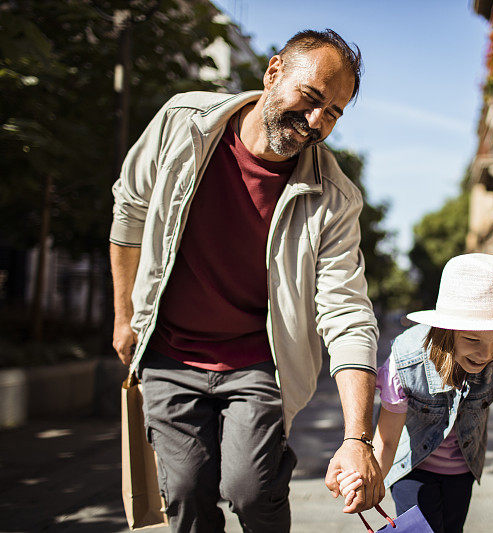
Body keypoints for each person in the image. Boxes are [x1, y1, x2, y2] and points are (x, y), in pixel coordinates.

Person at [109, 29, 383, 532]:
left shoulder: (336, 199)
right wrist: (124, 316)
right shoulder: (182, 123)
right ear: (274, 71)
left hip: (258, 361)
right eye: (313, 97)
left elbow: (346, 313)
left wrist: (357, 438)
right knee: (187, 492)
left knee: (250, 491)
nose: (317, 121)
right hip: (170, 349)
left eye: (335, 112)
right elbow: (130, 211)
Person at [337, 253, 493, 532]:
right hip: (413, 470)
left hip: (462, 474)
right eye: (472, 339)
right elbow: (387, 442)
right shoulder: (406, 360)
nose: (486, 353)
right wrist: (367, 480)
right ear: (445, 332)